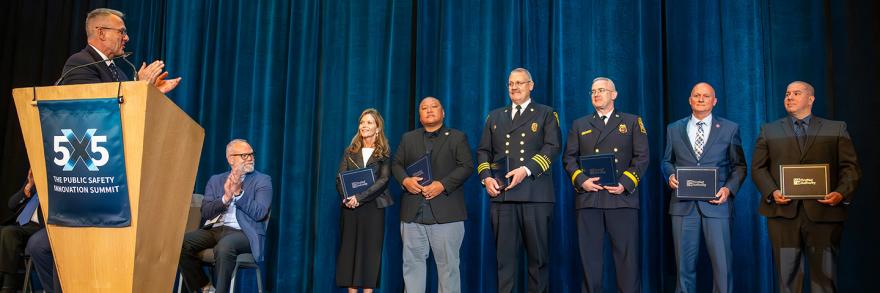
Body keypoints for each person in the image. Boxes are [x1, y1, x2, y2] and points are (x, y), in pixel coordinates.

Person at [752, 81, 861, 293]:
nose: (789, 97)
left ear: (811, 99)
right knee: (787, 280)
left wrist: (841, 193)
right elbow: (758, 168)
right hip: (782, 215)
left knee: (824, 279)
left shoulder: (836, 128)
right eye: (787, 93)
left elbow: (851, 168)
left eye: (796, 93)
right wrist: (772, 192)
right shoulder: (769, 130)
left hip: (825, 215)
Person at [476, 68, 561, 292]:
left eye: (519, 83)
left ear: (531, 85)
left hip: (536, 195)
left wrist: (526, 169)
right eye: (511, 84)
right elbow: (483, 151)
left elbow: (553, 147)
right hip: (503, 197)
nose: (514, 87)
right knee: (504, 263)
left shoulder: (546, 113)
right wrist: (486, 178)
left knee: (538, 261)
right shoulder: (494, 116)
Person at [562, 77, 649, 293]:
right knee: (590, 263)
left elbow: (642, 157)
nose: (596, 94)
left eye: (601, 90)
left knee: (626, 263)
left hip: (621, 199)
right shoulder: (579, 124)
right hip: (589, 200)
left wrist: (624, 183)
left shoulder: (631, 122)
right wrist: (582, 180)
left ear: (614, 94)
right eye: (592, 91)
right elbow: (569, 159)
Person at [661, 82, 746, 293]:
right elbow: (666, 161)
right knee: (683, 269)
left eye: (706, 96)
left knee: (722, 267)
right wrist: (670, 175)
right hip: (683, 207)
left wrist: (727, 190)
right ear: (690, 100)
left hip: (716, 205)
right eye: (696, 95)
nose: (700, 99)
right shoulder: (674, 128)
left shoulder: (729, 128)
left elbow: (740, 166)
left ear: (714, 101)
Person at [392, 97, 473, 293]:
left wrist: (442, 185)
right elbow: (396, 165)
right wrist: (405, 181)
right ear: (419, 116)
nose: (429, 110)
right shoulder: (408, 138)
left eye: (434, 107)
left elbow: (467, 167)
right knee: (412, 267)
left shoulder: (457, 137)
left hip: (447, 214)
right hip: (413, 215)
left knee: (448, 270)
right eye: (424, 108)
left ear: (443, 112)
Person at [179, 139, 272, 293]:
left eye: (251, 154)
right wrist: (225, 199)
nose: (250, 158)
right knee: (181, 243)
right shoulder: (216, 180)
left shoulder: (262, 180)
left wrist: (238, 194)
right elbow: (206, 211)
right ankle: (205, 287)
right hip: (215, 229)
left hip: (244, 233)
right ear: (231, 159)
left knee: (224, 246)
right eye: (244, 155)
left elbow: (260, 213)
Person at [335, 108, 394, 293]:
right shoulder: (350, 151)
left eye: (369, 122)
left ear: (377, 127)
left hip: (373, 209)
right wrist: (348, 198)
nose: (364, 126)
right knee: (349, 254)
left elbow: (383, 181)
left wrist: (359, 198)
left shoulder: (384, 153)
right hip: (350, 208)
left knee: (369, 255)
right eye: (362, 122)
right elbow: (340, 178)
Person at [59, 8, 180, 93]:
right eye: (122, 32)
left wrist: (149, 91)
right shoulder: (80, 63)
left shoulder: (120, 74)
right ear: (101, 33)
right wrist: (138, 88)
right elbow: (94, 108)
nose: (127, 38)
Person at [0, 170, 41, 293]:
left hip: (38, 227)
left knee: (9, 233)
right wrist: (28, 187)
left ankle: (8, 285)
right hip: (21, 224)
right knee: (8, 231)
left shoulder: (56, 184)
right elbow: (12, 204)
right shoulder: (34, 181)